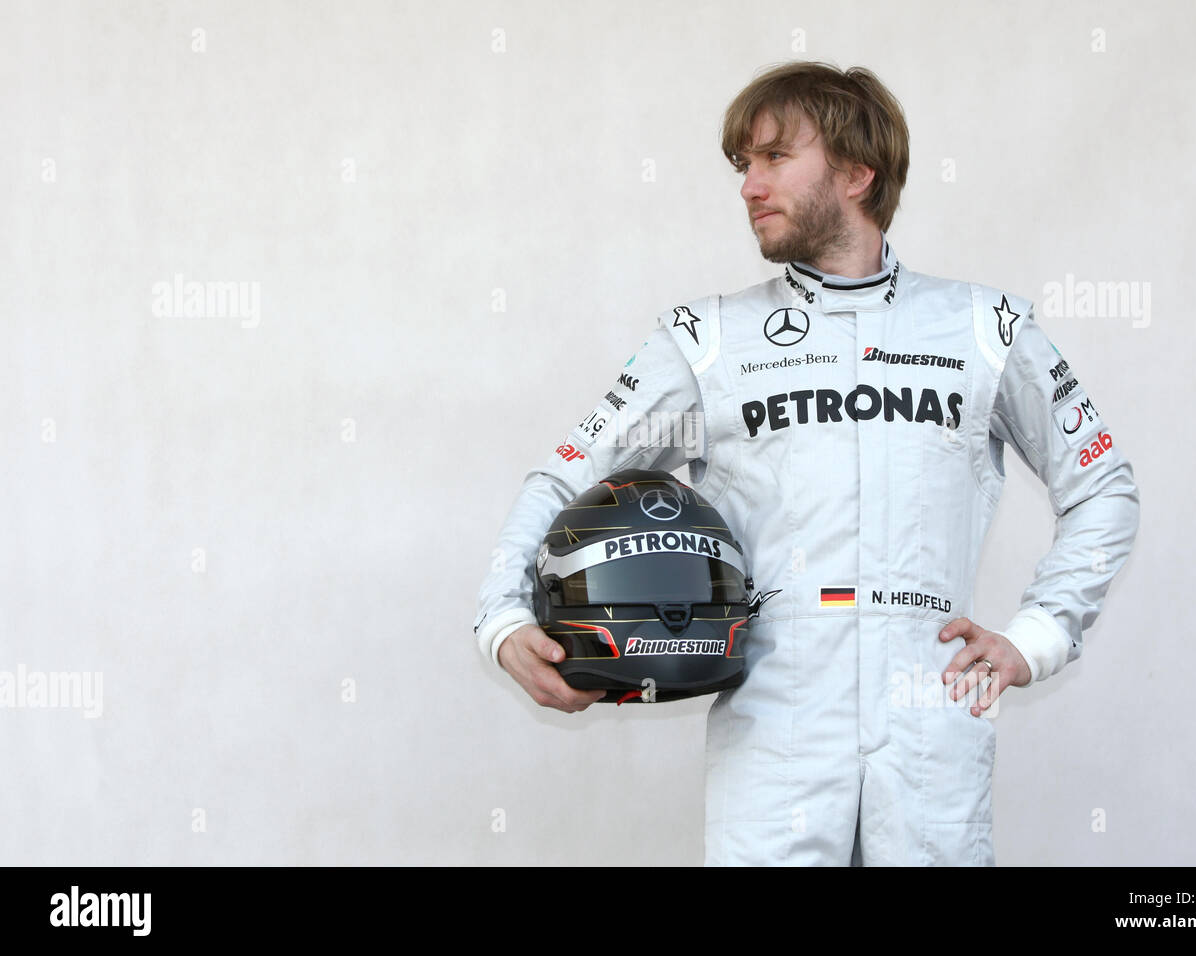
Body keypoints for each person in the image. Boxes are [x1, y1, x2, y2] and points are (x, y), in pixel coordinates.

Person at [472, 61, 1140, 865]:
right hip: (776, 737)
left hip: (933, 729)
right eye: (742, 165)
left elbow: (1103, 486)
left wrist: (1036, 638)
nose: (749, 185)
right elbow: (563, 476)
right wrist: (504, 619)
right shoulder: (706, 339)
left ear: (859, 173)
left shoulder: (984, 328)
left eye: (774, 158)